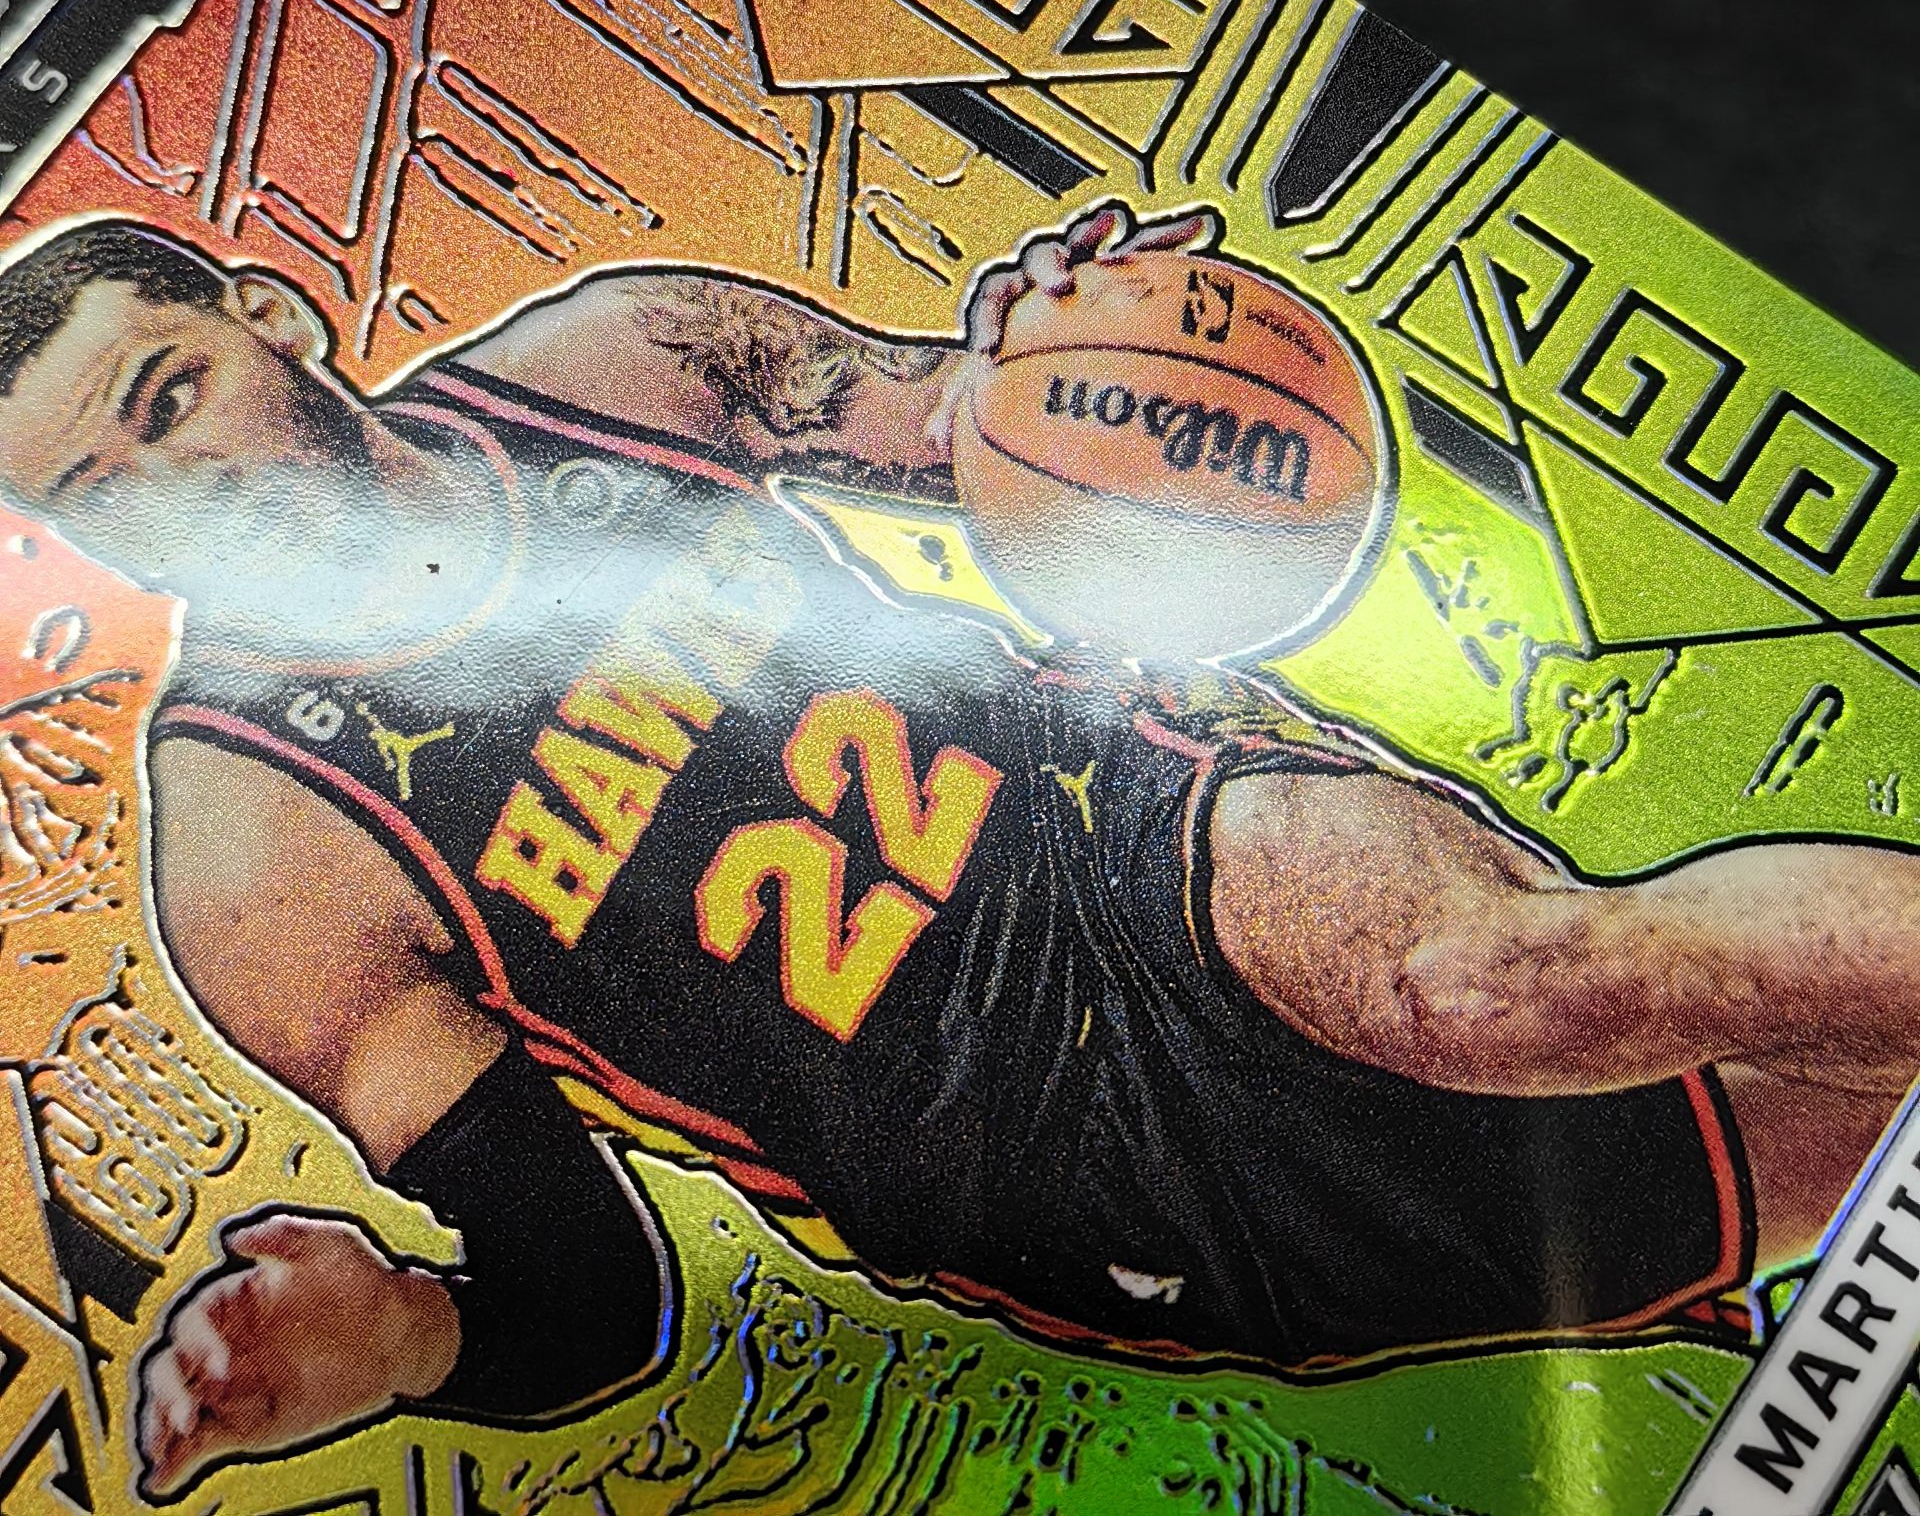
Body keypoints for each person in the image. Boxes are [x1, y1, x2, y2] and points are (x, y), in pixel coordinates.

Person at [0, 207, 1909, 1500]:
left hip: (1127, 833)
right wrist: (411, 1338)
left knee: (1492, 982)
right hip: (1062, 1187)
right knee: (1804, 1165)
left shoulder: (610, 363)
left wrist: (1070, 349)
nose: (187, 483)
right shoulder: (261, 847)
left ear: (269, 316)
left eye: (172, 397)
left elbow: (967, 432)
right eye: (106, 486)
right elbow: (586, 1289)